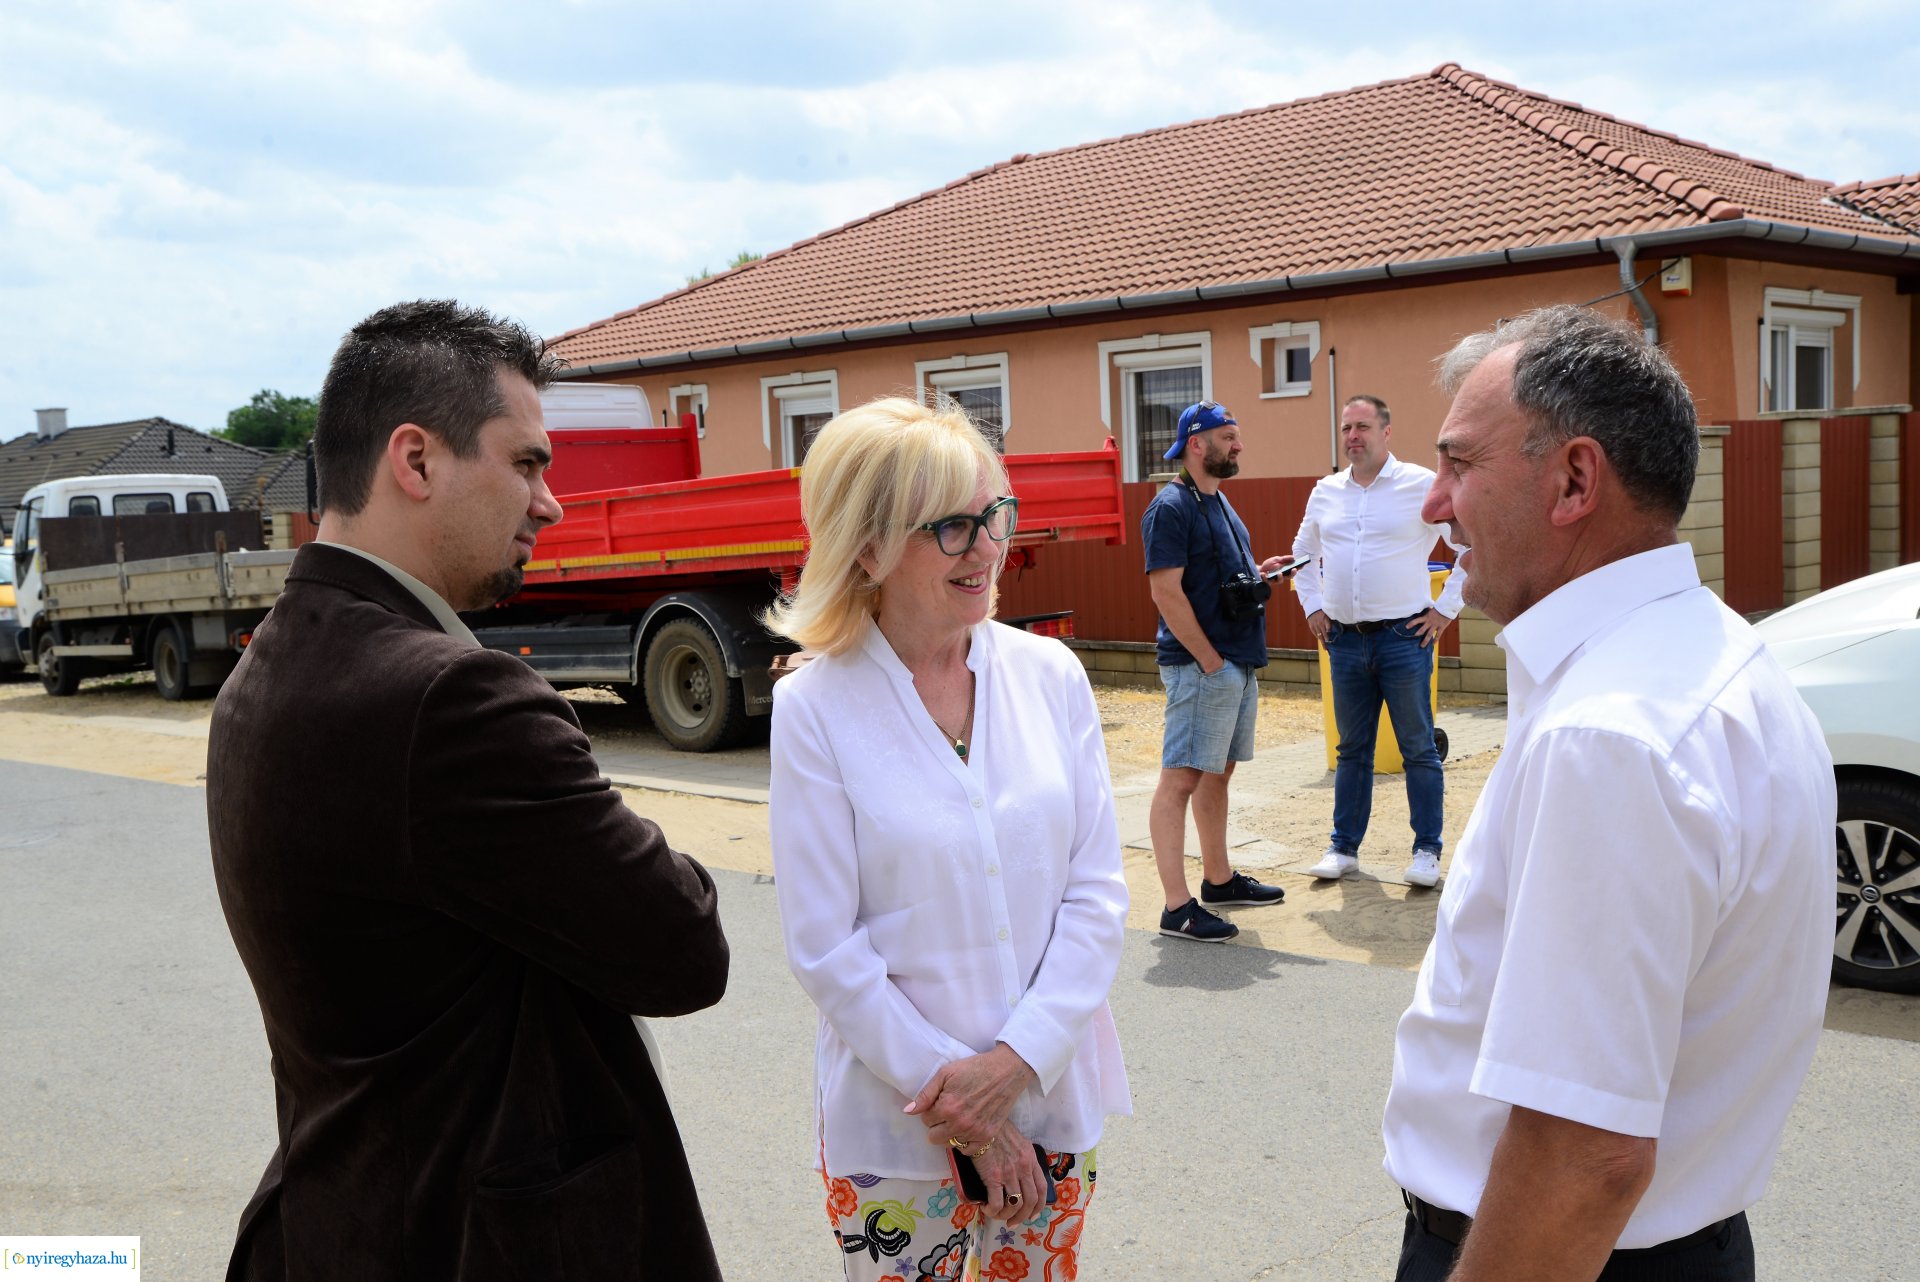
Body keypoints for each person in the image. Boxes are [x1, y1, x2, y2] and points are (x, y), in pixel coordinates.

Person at [207, 300, 730, 1281]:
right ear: (417, 460)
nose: (551, 502)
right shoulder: (453, 698)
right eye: (526, 462)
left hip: (334, 1220)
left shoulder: (265, 670)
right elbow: (684, 944)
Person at [1383, 305, 1833, 1282]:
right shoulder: (1719, 659)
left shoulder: (1610, 733)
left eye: (1459, 464)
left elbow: (1584, 1155)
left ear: (1575, 479)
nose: (1435, 503)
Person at [767, 397, 1131, 1281]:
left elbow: (1097, 894)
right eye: (953, 526)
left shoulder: (1051, 676)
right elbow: (826, 949)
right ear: (866, 546)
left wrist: (1016, 1063)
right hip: (895, 1132)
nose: (987, 547)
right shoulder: (814, 709)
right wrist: (964, 1099)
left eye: (994, 515)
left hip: (1049, 1099)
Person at [1292, 394, 1465, 889]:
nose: (1353, 436)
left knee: (1418, 750)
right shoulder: (1326, 491)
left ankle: (1426, 852)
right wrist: (1313, 607)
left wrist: (1444, 611)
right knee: (1352, 751)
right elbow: (1303, 553)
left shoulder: (1420, 486)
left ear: (1386, 432)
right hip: (1344, 643)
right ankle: (1343, 848)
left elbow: (1469, 545)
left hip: (1403, 640)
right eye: (1347, 427)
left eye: (1363, 427)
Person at [1142, 400, 1291, 943]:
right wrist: (1208, 660)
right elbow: (1164, 590)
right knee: (1179, 777)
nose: (1239, 445)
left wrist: (1260, 570)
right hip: (1203, 667)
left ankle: (1219, 879)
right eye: (1229, 436)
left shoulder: (1221, 504)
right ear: (1197, 443)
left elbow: (1219, 577)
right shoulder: (1171, 506)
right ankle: (1177, 907)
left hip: (1236, 662)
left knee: (1218, 773)